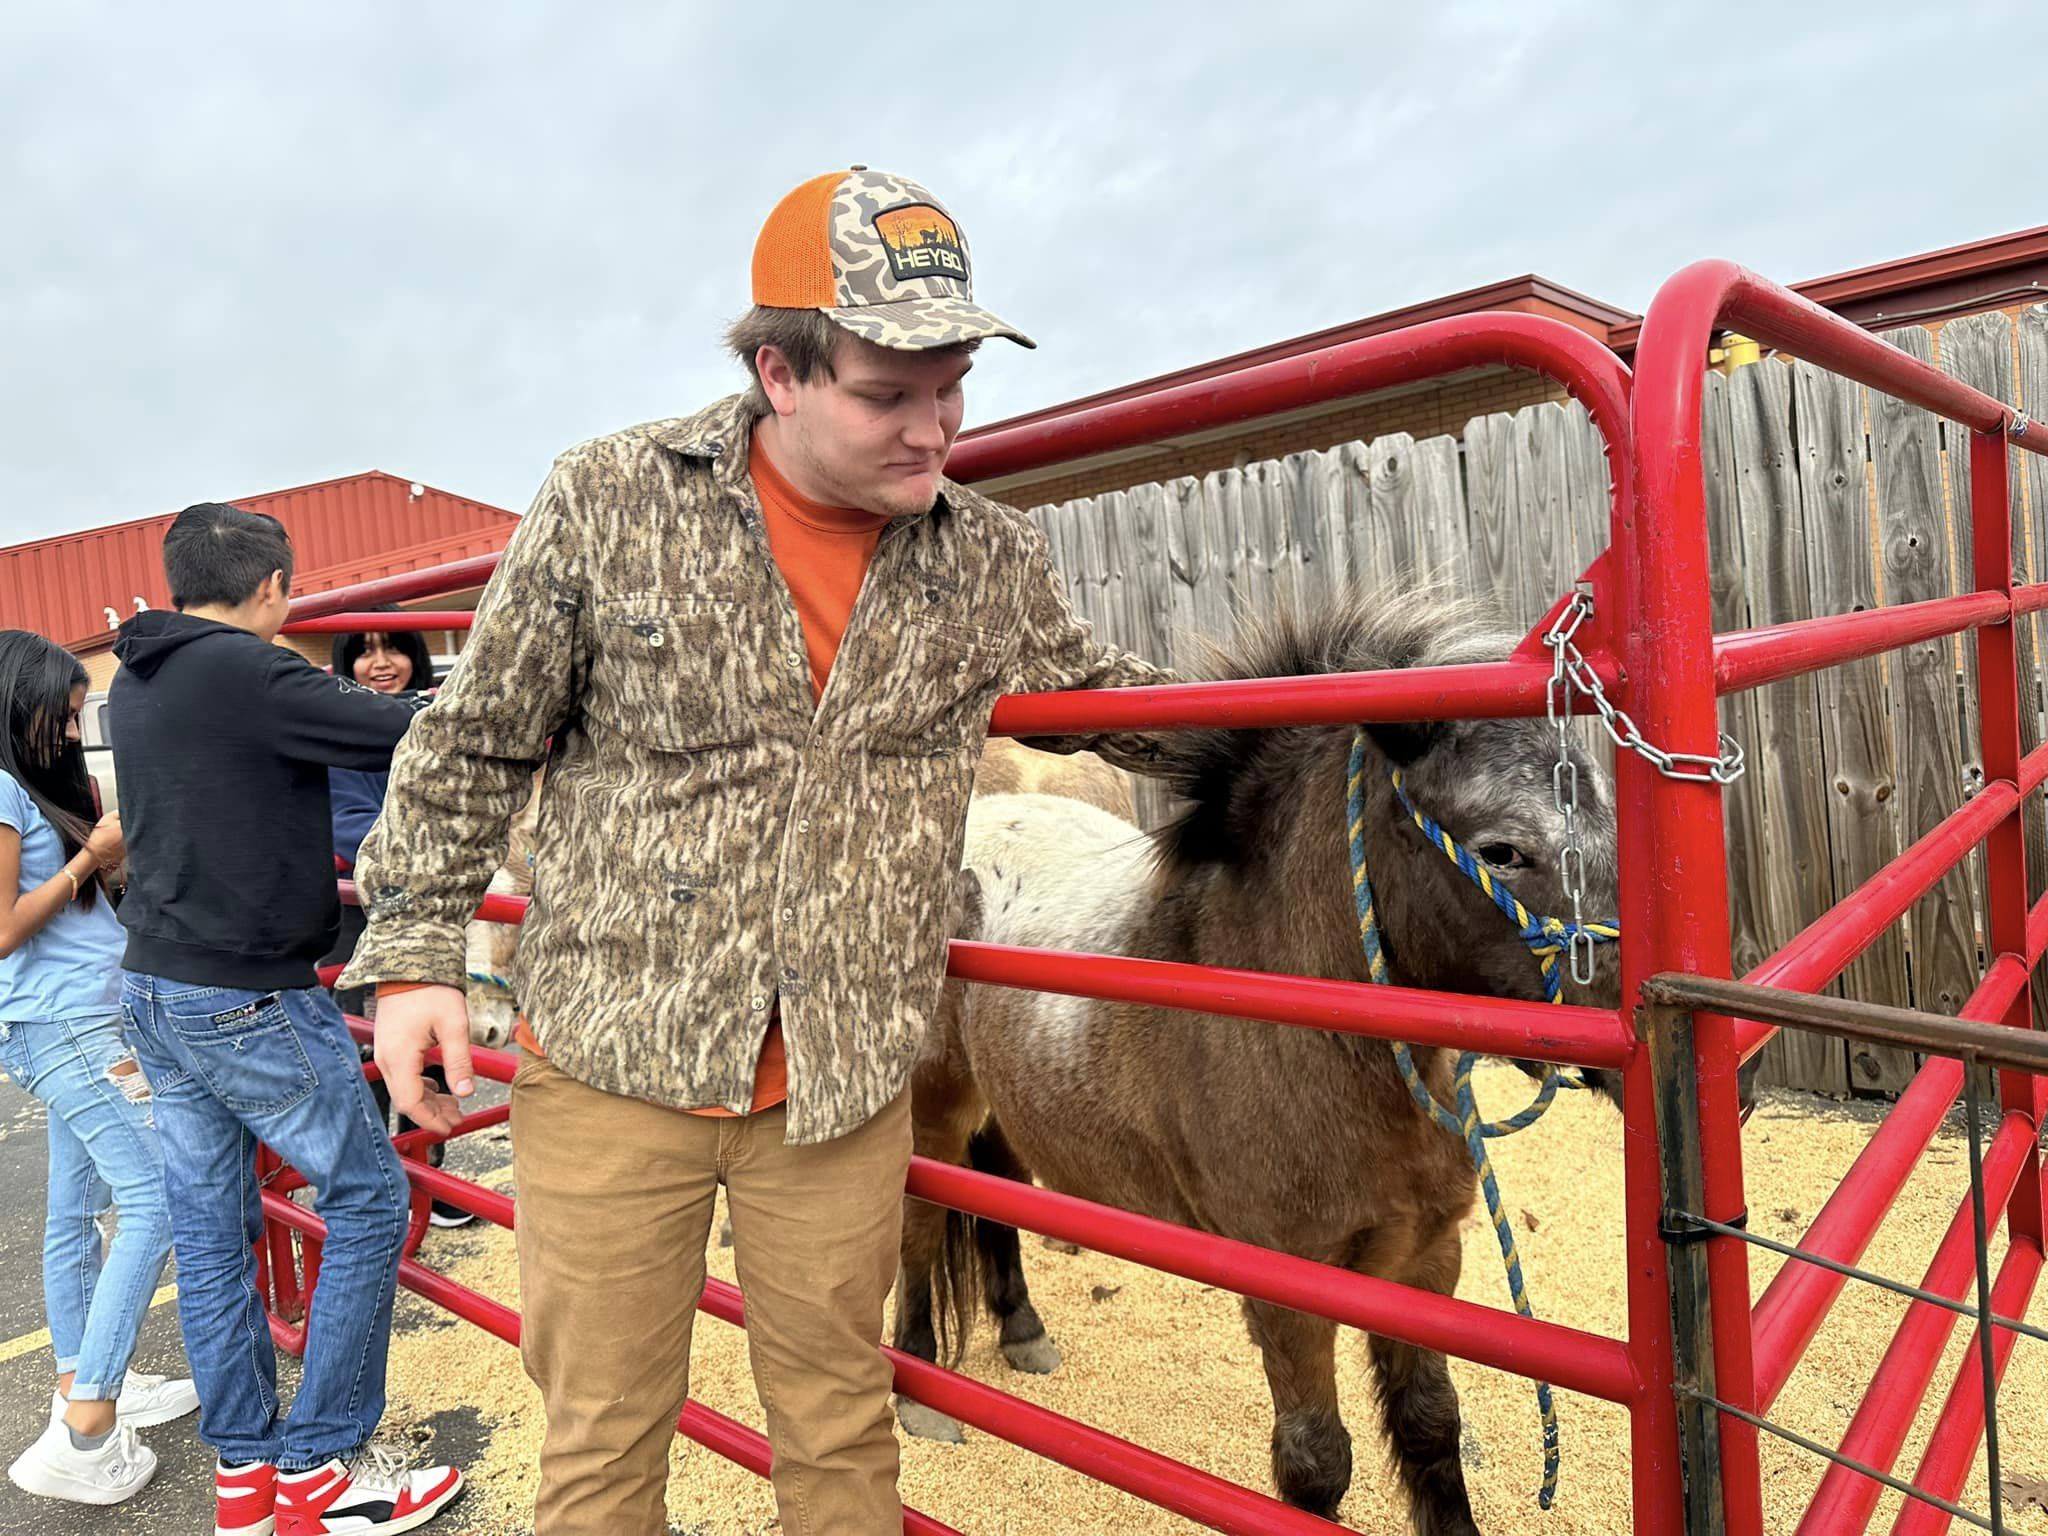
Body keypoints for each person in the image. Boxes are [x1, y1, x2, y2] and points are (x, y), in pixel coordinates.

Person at [343, 167, 1178, 1536]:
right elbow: (468, 743)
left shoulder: (985, 558)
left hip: (843, 1082)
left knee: (843, 1430)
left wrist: (1384, 717)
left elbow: (1131, 706)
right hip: (615, 1058)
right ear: (779, 371)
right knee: (604, 1442)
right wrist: (417, 953)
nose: (936, 428)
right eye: (889, 392)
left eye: (953, 383)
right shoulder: (610, 500)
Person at [108, 504, 465, 1536]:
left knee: (214, 1236)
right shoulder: (251, 674)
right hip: (248, 989)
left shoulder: (138, 676)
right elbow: (415, 728)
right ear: (276, 587)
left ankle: (248, 1477)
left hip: (158, 984)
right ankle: (329, 1465)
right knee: (365, 1198)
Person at [0, 630, 198, 1506]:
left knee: (76, 1206)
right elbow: (2, 928)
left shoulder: (33, 786)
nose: (75, 732)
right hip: (65, 1024)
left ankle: (86, 1370)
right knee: (161, 1188)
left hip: (79, 1014)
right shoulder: (2, 788)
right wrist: (92, 857)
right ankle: (86, 1422)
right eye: (67, 716)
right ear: (20, 707)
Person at [322, 617, 473, 1231]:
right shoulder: (339, 730)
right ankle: (376, 1192)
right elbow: (348, 819)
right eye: (363, 653)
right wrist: (439, 848)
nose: (380, 663)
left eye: (393, 649)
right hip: (361, 920)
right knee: (373, 1056)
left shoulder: (438, 717)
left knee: (431, 1050)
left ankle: (431, 1182)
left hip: (432, 914)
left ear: (416, 654)